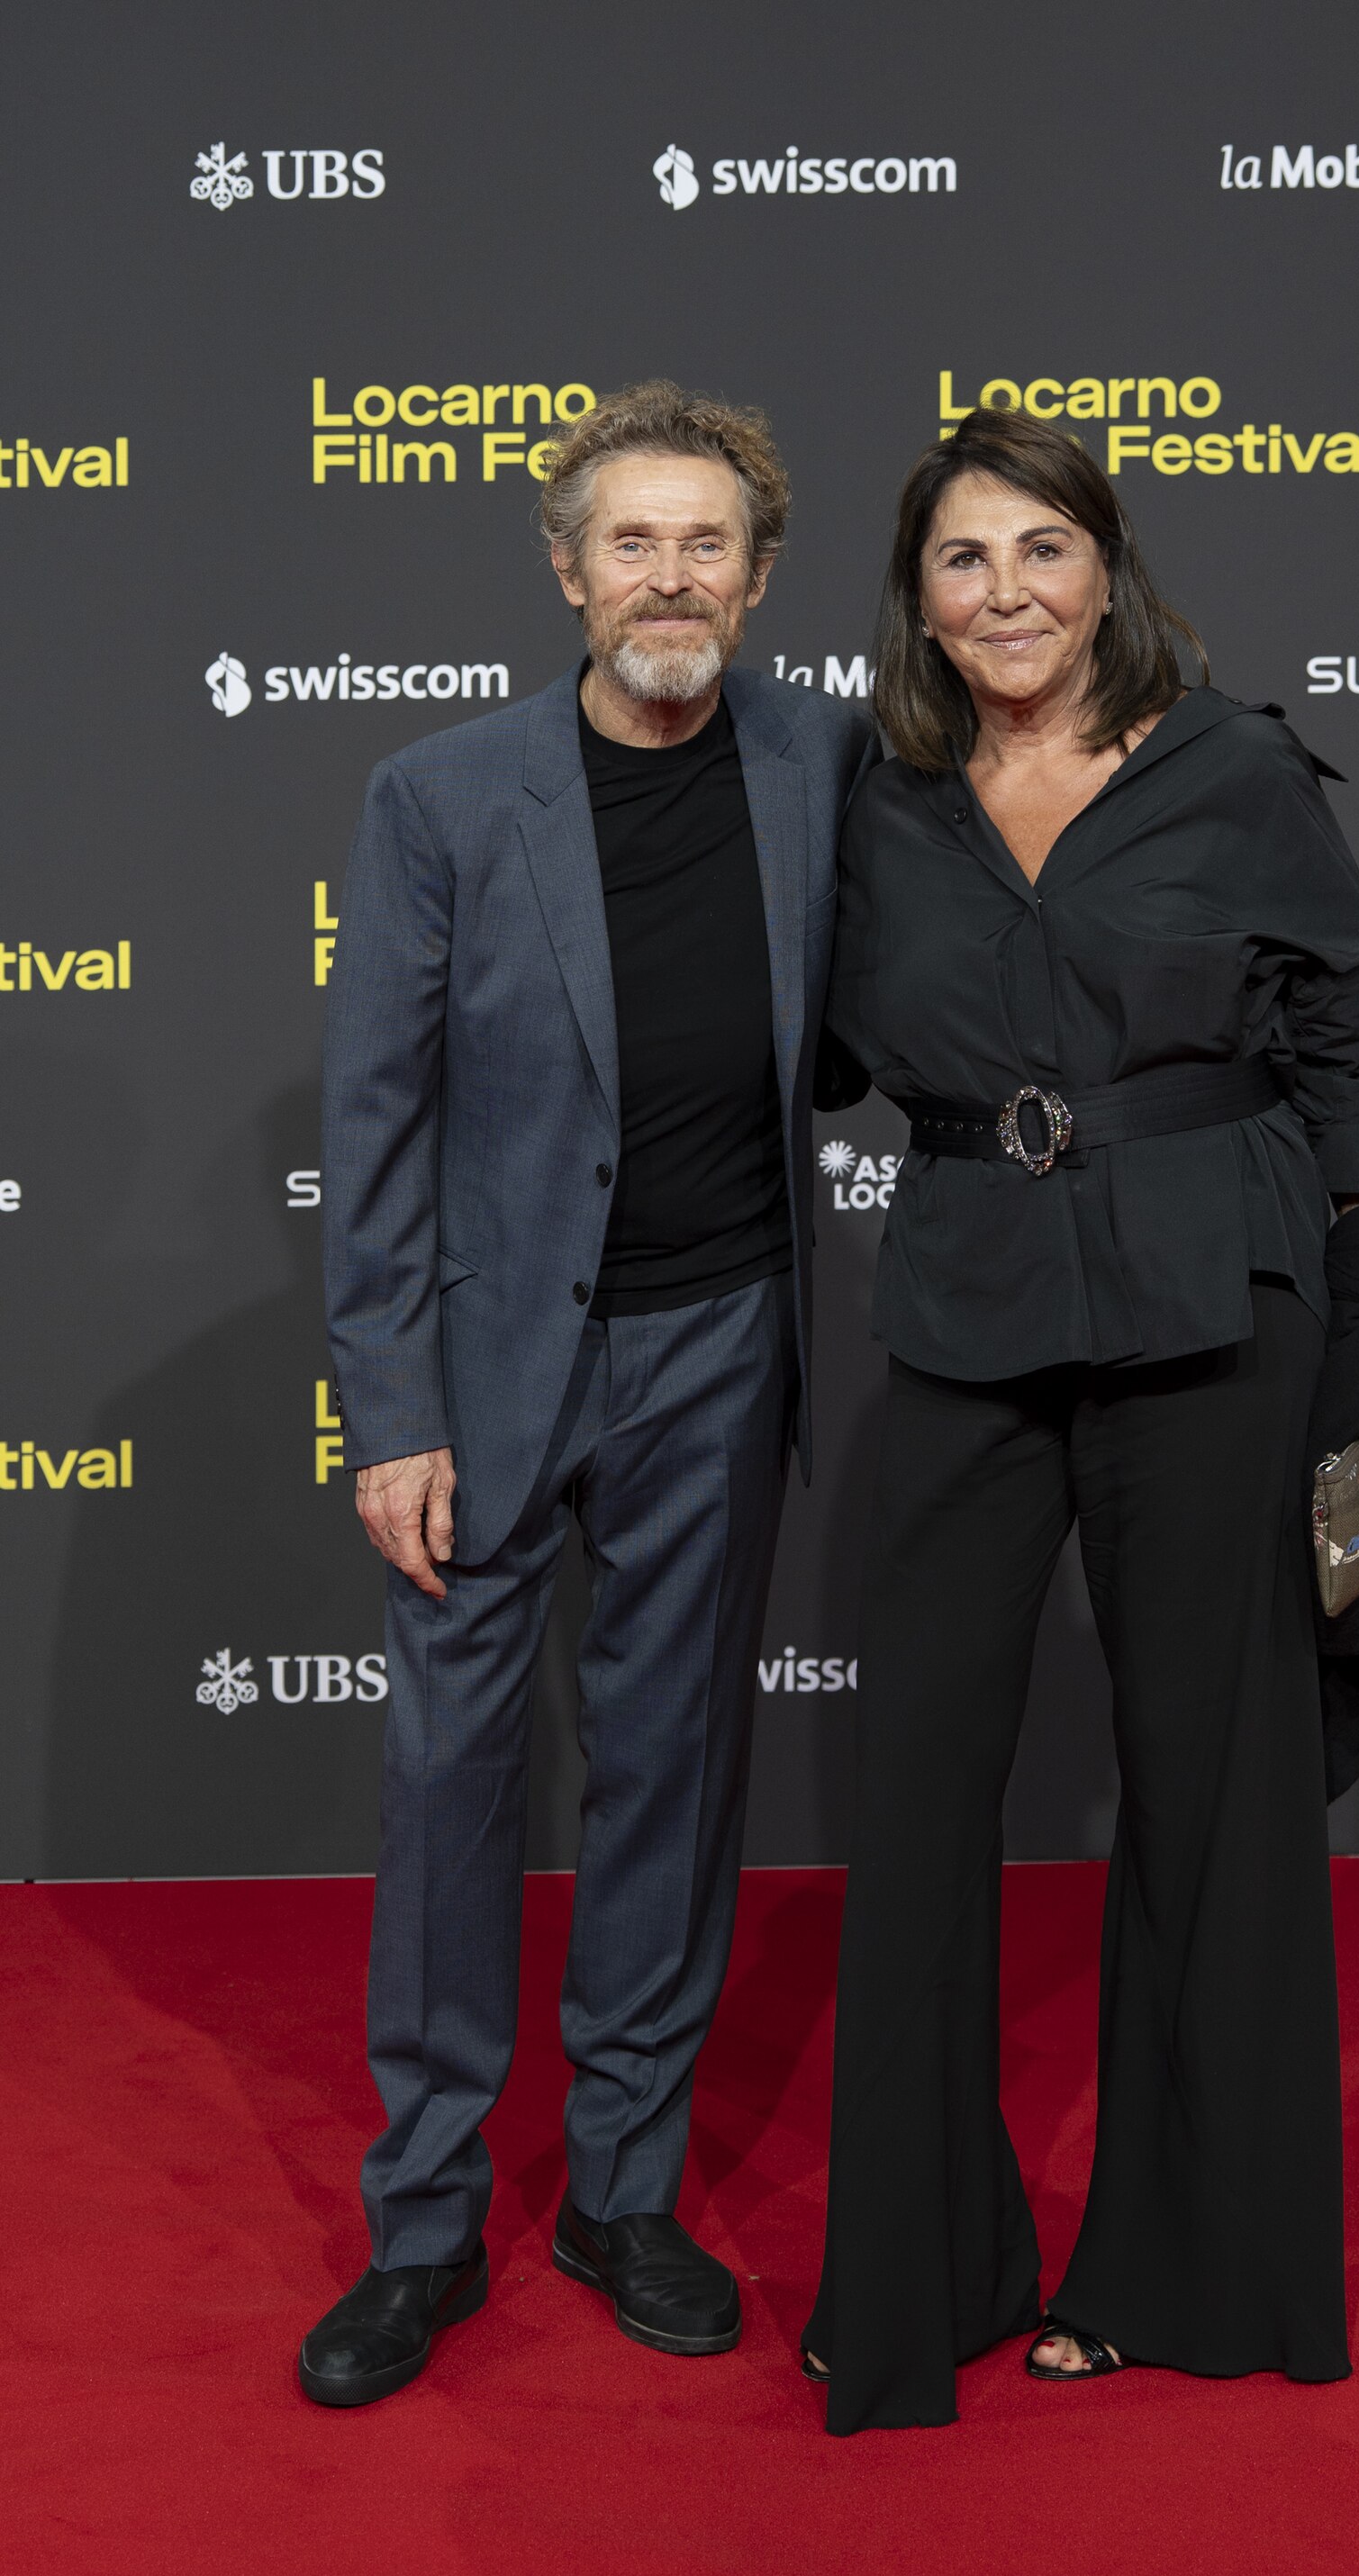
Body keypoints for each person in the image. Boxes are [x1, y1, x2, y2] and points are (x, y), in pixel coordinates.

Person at [802, 407, 1359, 2433]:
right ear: (917, 594)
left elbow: (1346, 1048)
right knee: (910, 1797)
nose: (1008, 597)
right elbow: (798, 1044)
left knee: (1215, 1786)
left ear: (1109, 567)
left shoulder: (1239, 768)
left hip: (1213, 1303)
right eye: (965, 560)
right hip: (973, 1296)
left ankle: (1195, 2270)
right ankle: (917, 2274)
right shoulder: (875, 796)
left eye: (1044, 552)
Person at [299, 382, 876, 2407]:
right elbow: (376, 1121)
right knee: (453, 1785)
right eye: (631, 541)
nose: (671, 576)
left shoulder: (826, 758)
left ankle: (621, 2186)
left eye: (707, 543)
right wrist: (391, 1407)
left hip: (723, 1340)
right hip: (485, 1359)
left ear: (761, 574)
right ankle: (426, 2222)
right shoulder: (441, 797)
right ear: (565, 572)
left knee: (670, 1778)